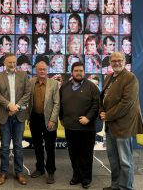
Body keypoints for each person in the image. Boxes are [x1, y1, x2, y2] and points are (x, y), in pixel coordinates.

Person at [99, 52, 143, 190]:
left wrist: (108, 115)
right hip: (110, 125)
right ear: (110, 62)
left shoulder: (130, 78)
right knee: (113, 160)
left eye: (119, 60)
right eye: (113, 61)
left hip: (123, 125)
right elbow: (104, 97)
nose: (116, 63)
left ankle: (125, 187)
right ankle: (115, 186)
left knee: (125, 161)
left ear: (125, 61)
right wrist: (102, 110)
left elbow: (127, 103)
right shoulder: (109, 77)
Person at [59, 61, 100, 189]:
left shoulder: (92, 86)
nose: (79, 73)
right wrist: (61, 118)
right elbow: (59, 104)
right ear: (72, 72)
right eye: (76, 71)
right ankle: (76, 175)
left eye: (81, 71)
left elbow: (96, 104)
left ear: (84, 72)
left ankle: (86, 178)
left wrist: (88, 117)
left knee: (86, 154)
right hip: (70, 127)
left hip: (87, 128)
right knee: (73, 153)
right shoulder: (64, 87)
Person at [0, 53, 31, 185]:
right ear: (4, 62)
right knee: (4, 146)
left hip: (19, 116)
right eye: (10, 62)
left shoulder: (23, 75)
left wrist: (17, 106)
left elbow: (27, 93)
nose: (12, 64)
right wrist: (9, 105)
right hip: (4, 115)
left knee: (18, 146)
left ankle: (19, 172)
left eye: (14, 62)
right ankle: (3, 172)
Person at [28, 60, 60, 184]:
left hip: (49, 120)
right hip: (35, 118)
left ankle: (50, 171)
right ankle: (40, 168)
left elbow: (57, 103)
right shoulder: (31, 82)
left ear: (47, 70)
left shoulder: (53, 83)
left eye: (44, 69)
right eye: (39, 69)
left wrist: (53, 119)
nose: (42, 71)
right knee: (37, 145)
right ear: (36, 70)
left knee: (50, 146)